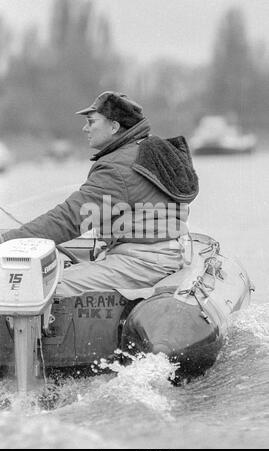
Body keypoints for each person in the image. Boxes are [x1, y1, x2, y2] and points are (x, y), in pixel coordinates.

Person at [0, 91, 199, 297]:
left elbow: (69, 219)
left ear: (114, 126)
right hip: (163, 253)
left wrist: (8, 241)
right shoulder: (144, 151)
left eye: (91, 122)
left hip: (143, 262)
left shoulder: (118, 167)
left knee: (39, 289)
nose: (85, 128)